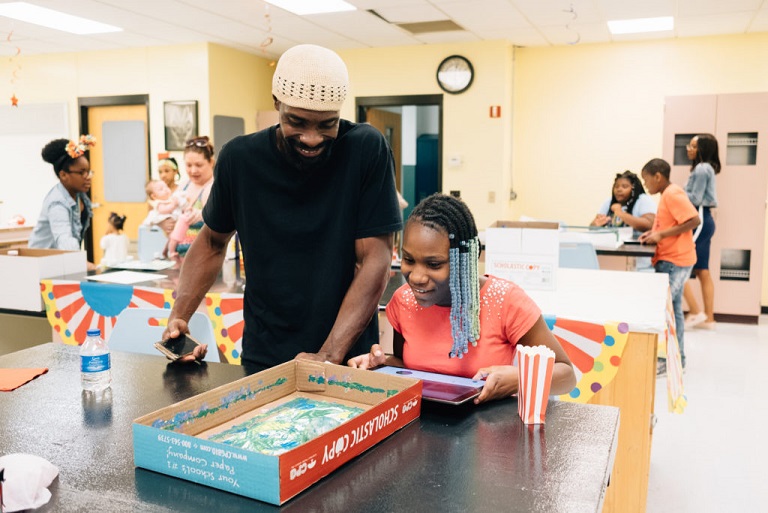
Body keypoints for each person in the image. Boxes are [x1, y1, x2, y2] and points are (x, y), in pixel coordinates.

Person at [163, 44, 402, 370]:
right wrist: (180, 316)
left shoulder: (364, 149)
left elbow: (374, 259)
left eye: (327, 124)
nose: (312, 138)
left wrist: (328, 356)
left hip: (347, 356)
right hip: (266, 351)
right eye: (297, 122)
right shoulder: (240, 159)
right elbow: (211, 241)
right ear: (277, 102)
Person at [348, 193, 576, 404]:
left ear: (465, 258)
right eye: (408, 259)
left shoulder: (506, 302)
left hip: (489, 434)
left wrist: (519, 378)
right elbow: (409, 365)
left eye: (434, 264)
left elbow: (566, 375)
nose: (416, 277)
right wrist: (379, 364)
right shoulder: (404, 302)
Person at [639, 158, 700, 375]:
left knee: (665, 312)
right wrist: (654, 232)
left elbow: (694, 220)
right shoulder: (668, 194)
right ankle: (677, 359)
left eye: (647, 181)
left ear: (658, 176)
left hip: (675, 260)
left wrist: (661, 234)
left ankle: (668, 360)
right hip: (675, 259)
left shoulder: (672, 193)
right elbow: (671, 222)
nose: (646, 186)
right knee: (673, 312)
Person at [29, 135, 96, 268]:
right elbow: (64, 238)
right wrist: (82, 263)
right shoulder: (57, 203)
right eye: (82, 172)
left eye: (88, 171)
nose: (87, 177)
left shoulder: (80, 196)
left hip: (57, 263)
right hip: (39, 267)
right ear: (63, 175)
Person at [682, 134, 720, 330]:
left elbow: (695, 198)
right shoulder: (705, 169)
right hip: (704, 218)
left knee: (681, 264)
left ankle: (696, 312)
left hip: (700, 218)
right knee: (702, 270)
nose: (689, 148)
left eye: (694, 146)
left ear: (703, 149)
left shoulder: (702, 168)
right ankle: (709, 319)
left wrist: (677, 192)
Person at [171, 136, 215, 258]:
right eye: (188, 165)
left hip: (203, 257)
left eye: (198, 165)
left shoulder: (212, 188)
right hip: (180, 255)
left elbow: (218, 224)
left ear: (211, 162)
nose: (193, 170)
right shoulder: (185, 185)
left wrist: (202, 215)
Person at [590, 170, 656, 238]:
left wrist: (620, 213)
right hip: (612, 245)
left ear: (634, 189)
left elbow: (650, 225)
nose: (619, 190)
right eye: (616, 187)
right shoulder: (609, 202)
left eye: (624, 187)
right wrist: (596, 225)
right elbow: (592, 228)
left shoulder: (643, 200)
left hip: (638, 247)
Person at [141, 179, 188, 256]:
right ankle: (172, 251)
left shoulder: (172, 198)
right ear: (154, 196)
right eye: (161, 189)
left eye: (166, 187)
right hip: (167, 223)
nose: (165, 190)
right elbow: (163, 210)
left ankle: (166, 250)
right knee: (173, 238)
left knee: (172, 238)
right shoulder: (159, 203)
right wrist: (173, 205)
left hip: (175, 223)